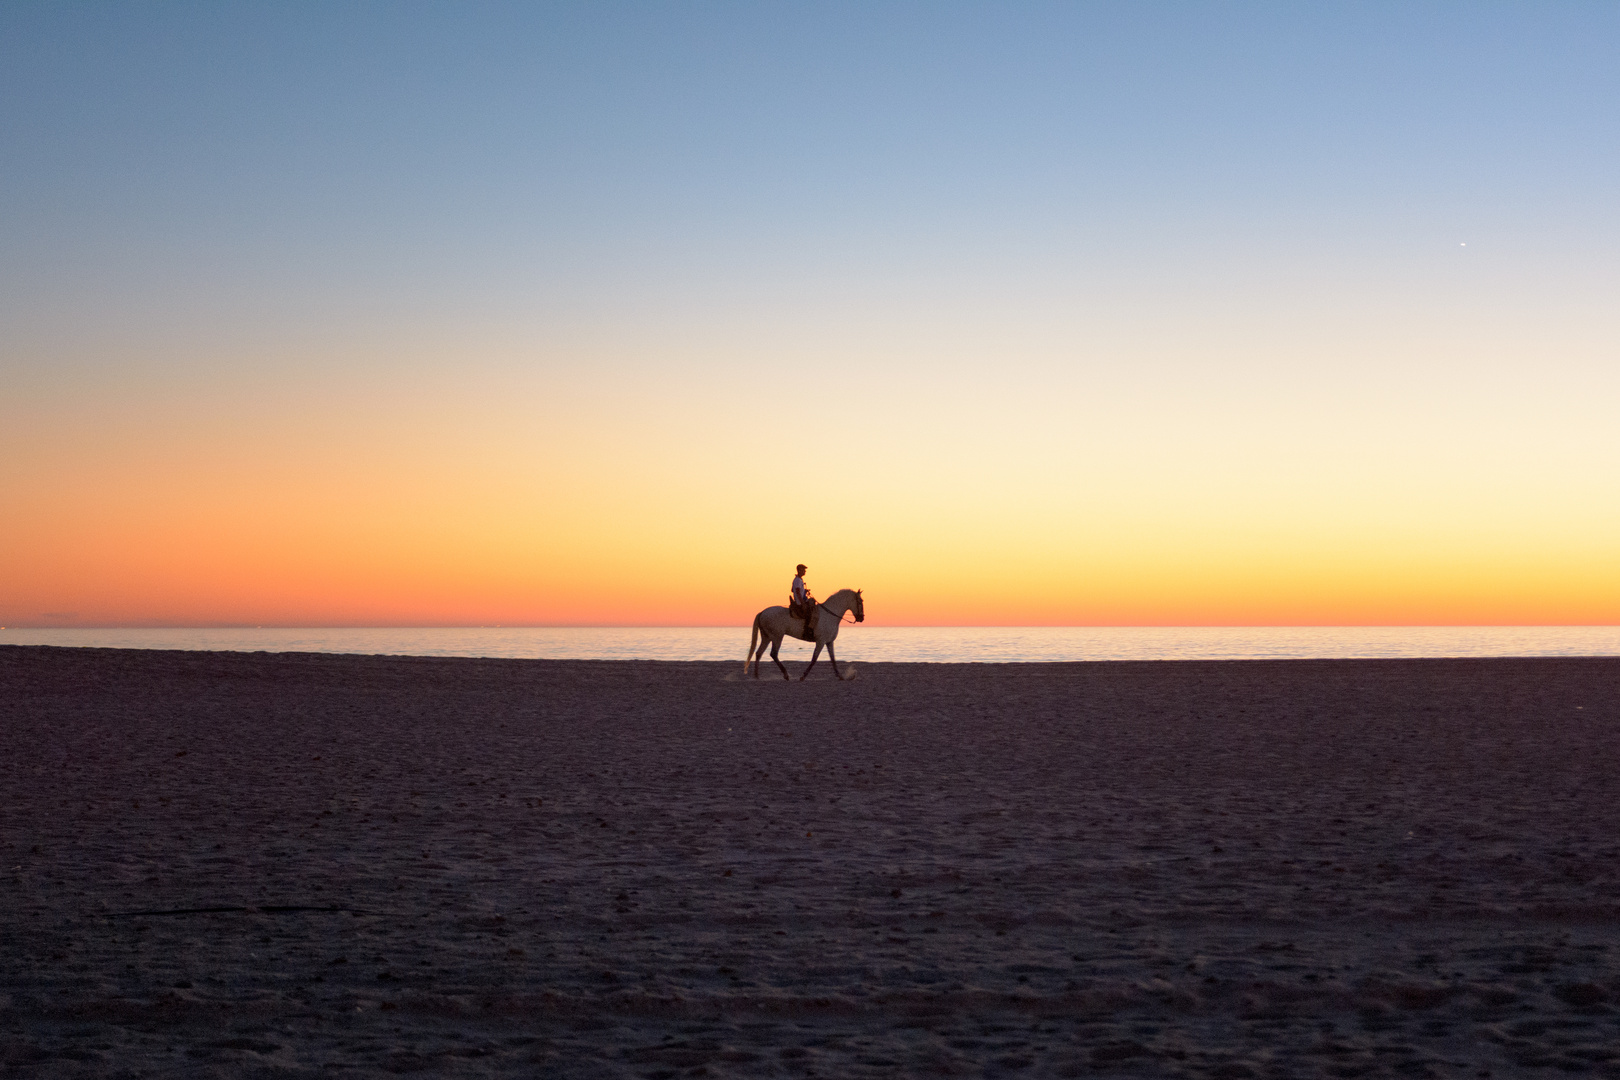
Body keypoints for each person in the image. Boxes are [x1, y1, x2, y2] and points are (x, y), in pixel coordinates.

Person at [791, 564, 817, 638]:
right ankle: (807, 631)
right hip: (800, 601)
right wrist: (802, 603)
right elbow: (797, 592)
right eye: (803, 570)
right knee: (810, 612)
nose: (805, 571)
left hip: (801, 599)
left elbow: (792, 590)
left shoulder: (798, 579)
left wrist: (804, 590)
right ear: (799, 570)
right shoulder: (798, 580)